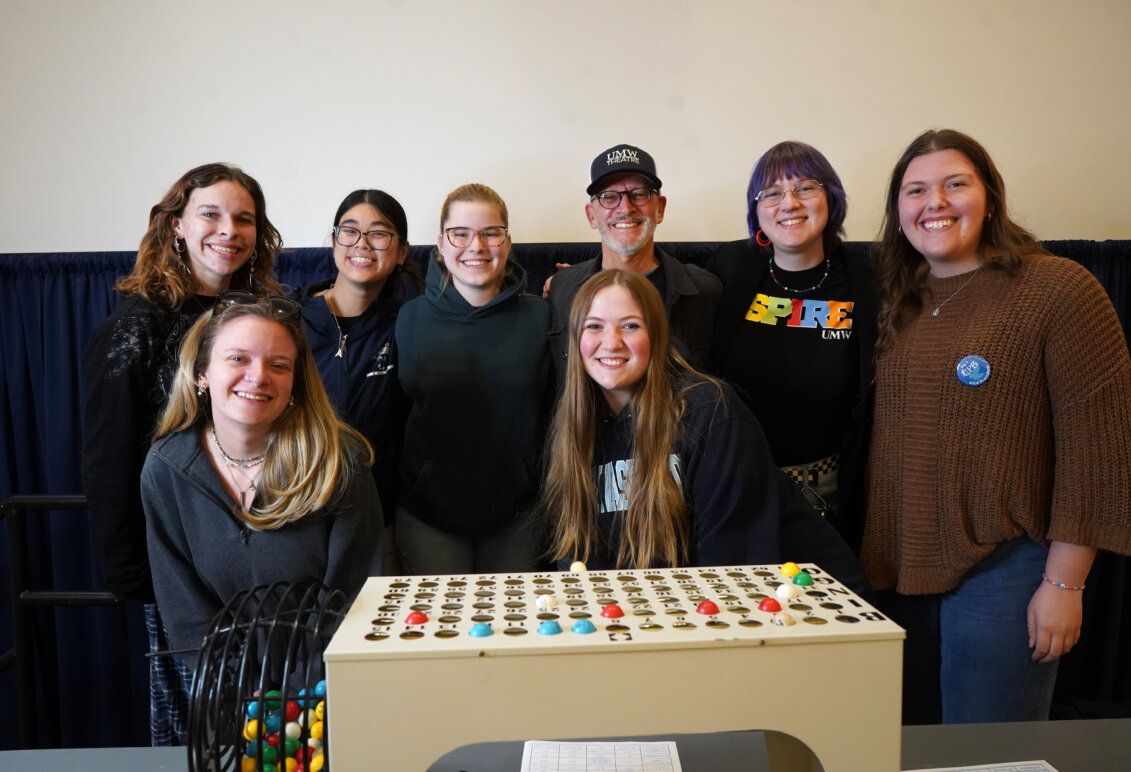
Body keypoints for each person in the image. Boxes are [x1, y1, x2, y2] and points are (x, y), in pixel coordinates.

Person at [862, 129, 1131, 724]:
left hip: (1006, 573)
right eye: (916, 190)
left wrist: (1064, 586)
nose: (935, 202)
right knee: (905, 750)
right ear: (898, 212)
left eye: (955, 184)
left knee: (989, 757)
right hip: (896, 571)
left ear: (989, 196)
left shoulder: (1058, 289)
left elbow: (1098, 453)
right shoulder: (893, 298)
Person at [81, 162, 283, 745]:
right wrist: (137, 577)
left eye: (244, 219)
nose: (229, 230)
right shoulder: (137, 326)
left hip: (259, 552)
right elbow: (108, 458)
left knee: (270, 726)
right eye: (211, 214)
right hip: (176, 565)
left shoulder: (261, 317)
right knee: (198, 728)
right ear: (175, 225)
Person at [544, 269, 841, 572]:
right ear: (575, 339)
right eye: (594, 326)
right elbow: (580, 558)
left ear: (656, 335)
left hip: (803, 599)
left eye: (631, 326)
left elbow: (732, 567)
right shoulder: (573, 425)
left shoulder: (711, 413)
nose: (611, 342)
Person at [141, 294, 383, 654]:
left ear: (294, 385)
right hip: (226, 689)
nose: (258, 377)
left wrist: (297, 696)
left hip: (325, 685)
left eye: (279, 365)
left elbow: (350, 599)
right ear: (202, 373)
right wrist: (241, 693)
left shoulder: (340, 462)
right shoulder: (167, 469)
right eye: (238, 358)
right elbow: (187, 612)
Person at [707, 141, 876, 551]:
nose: (789, 203)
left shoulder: (871, 277)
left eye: (805, 188)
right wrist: (581, 280)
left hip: (832, 498)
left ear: (831, 199)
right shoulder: (728, 268)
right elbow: (657, 288)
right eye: (772, 193)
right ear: (757, 211)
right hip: (739, 490)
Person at [393, 183, 552, 574]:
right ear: (441, 244)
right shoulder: (407, 318)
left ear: (508, 242)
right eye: (460, 234)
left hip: (518, 516)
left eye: (490, 233)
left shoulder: (544, 318)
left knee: (515, 633)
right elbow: (393, 415)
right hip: (428, 516)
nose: (476, 246)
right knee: (441, 634)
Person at [294, 190, 424, 571]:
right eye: (349, 231)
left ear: (401, 252)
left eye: (379, 234)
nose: (362, 244)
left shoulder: (410, 325)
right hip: (296, 519)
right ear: (334, 242)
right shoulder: (289, 321)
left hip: (376, 523)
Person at [547, 143, 721, 381]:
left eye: (639, 194)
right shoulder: (562, 289)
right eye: (609, 197)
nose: (625, 208)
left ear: (660, 209)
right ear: (591, 215)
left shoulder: (705, 291)